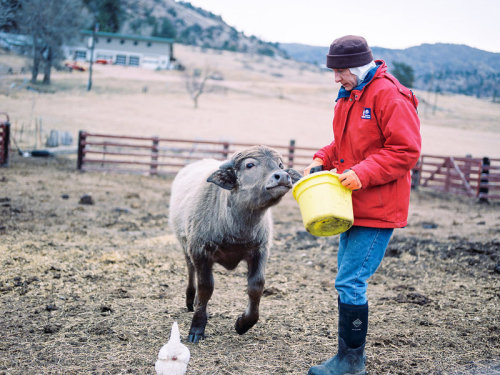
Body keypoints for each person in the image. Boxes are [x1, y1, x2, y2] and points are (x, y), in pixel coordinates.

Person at [304, 35, 421, 375]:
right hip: (349, 203)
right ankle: (347, 357)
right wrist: (322, 157)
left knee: (351, 280)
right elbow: (346, 143)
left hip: (378, 207)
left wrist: (362, 173)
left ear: (356, 66)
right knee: (347, 278)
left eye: (340, 71)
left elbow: (405, 150)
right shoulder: (350, 96)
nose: (336, 78)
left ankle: (351, 362)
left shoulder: (389, 95)